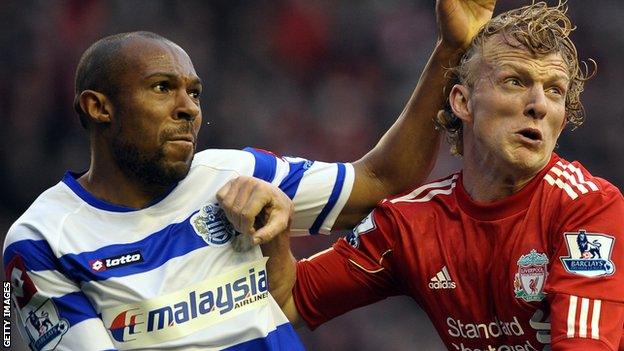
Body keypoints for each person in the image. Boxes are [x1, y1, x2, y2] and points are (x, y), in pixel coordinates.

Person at [2, 0, 495, 349]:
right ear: (98, 107)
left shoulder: (235, 174)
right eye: (161, 88)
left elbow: (383, 183)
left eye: (194, 94)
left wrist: (451, 49)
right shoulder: (42, 240)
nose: (187, 110)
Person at [266, 2, 624, 350]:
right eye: (515, 81)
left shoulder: (589, 208)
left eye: (554, 91)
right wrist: (273, 222)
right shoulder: (411, 224)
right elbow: (288, 300)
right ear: (462, 102)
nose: (539, 104)